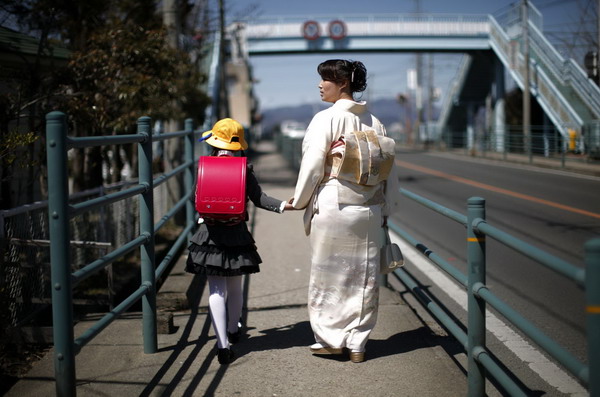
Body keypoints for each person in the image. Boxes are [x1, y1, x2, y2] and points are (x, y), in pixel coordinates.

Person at [289, 59, 400, 363]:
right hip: (370, 207)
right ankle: (358, 342)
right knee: (363, 275)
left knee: (329, 274)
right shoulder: (376, 122)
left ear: (342, 83)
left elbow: (313, 167)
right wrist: (387, 206)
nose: (320, 84)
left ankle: (331, 340)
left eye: (325, 79)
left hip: (335, 203)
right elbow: (390, 168)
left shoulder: (325, 119)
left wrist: (299, 200)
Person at [185, 118, 294, 365]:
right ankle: (234, 330)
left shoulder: (205, 166)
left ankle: (222, 346)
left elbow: (195, 199)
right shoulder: (244, 169)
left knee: (215, 290)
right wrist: (284, 206)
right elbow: (259, 199)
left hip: (209, 236)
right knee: (234, 287)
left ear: (214, 141)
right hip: (236, 235)